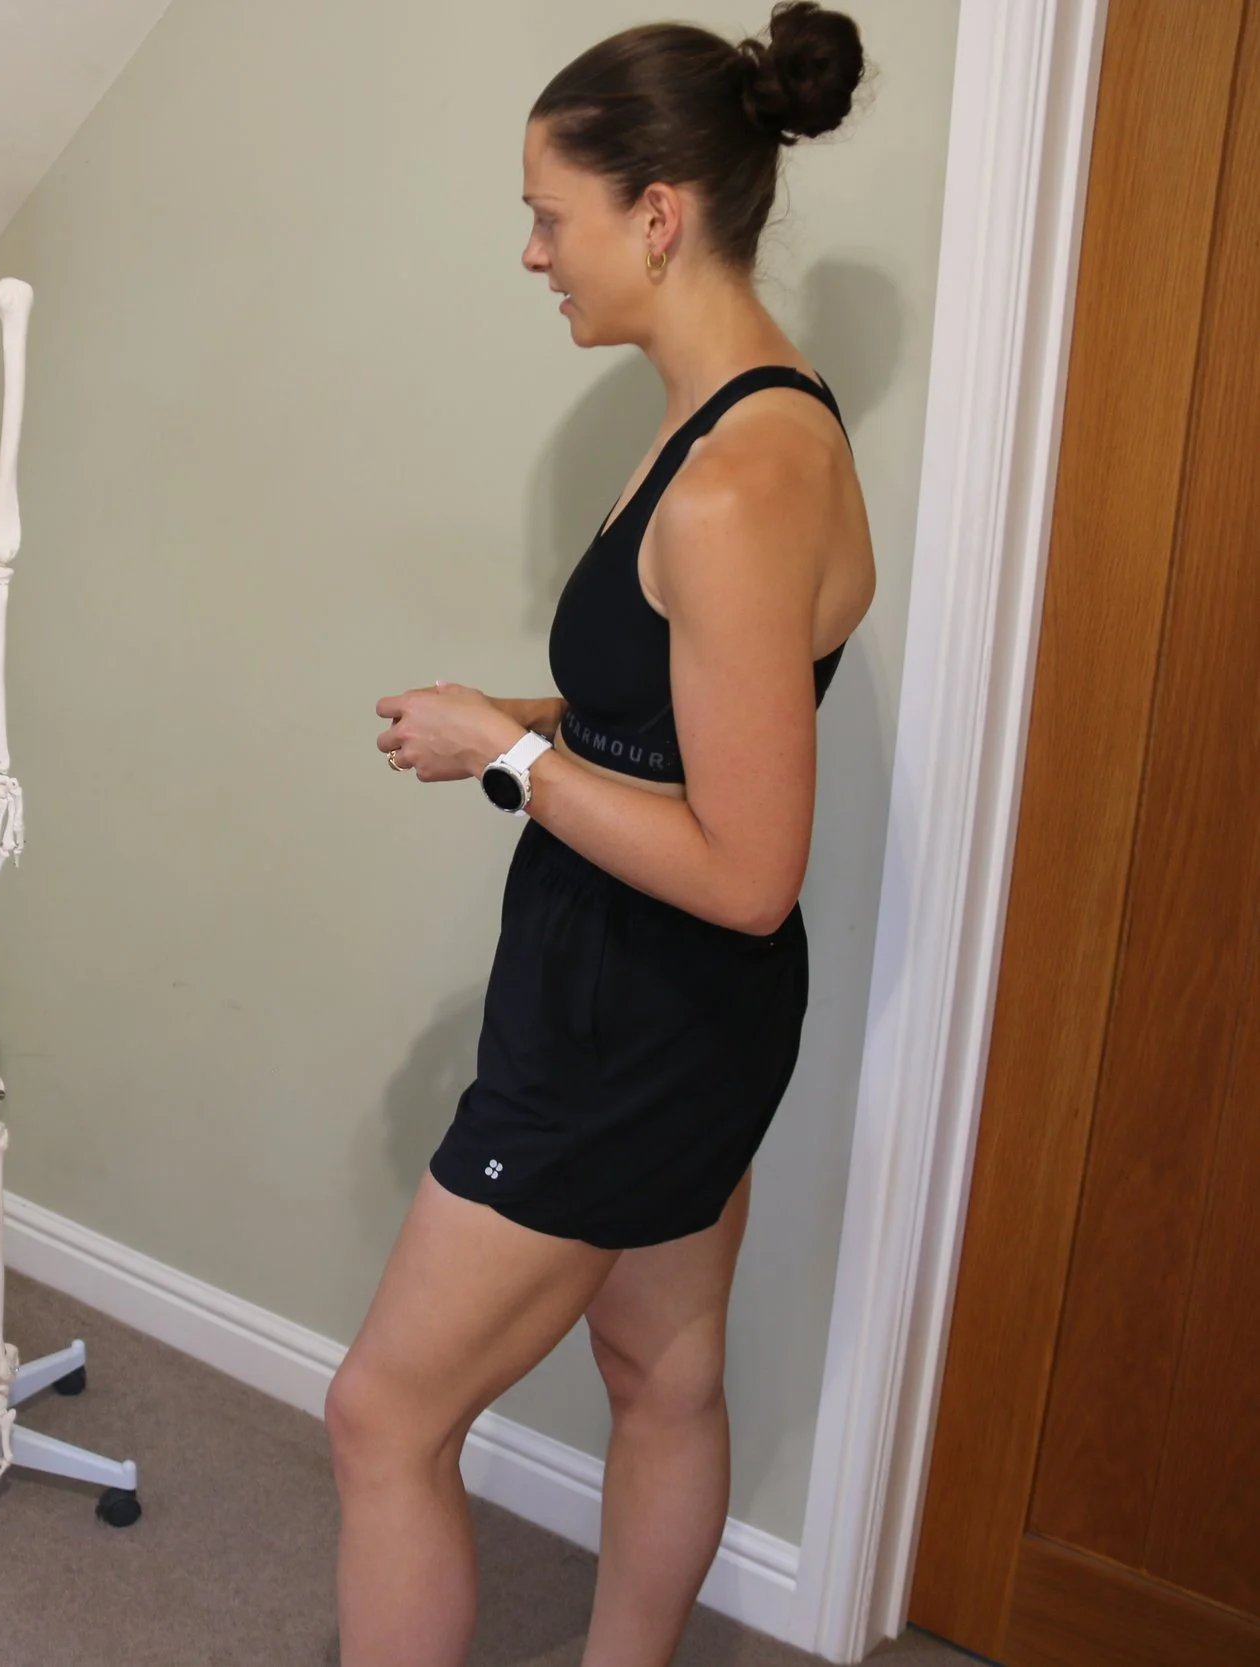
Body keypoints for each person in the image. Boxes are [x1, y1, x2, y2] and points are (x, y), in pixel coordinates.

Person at [336, 7, 874, 1665]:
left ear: (658, 213)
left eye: (549, 215)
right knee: (665, 1369)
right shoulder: (759, 416)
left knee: (381, 1419)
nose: (530, 253)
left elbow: (744, 864)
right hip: (671, 1001)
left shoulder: (732, 481)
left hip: (634, 1003)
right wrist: (545, 720)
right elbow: (702, 715)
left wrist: (506, 755)